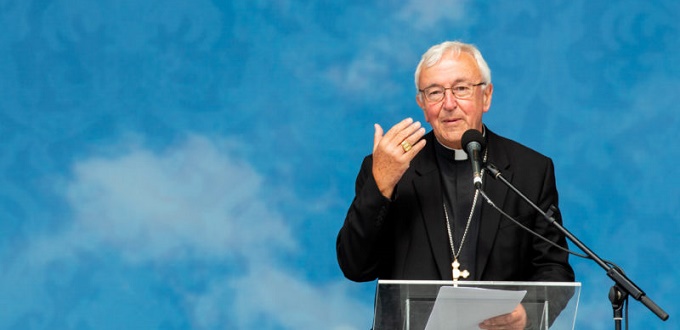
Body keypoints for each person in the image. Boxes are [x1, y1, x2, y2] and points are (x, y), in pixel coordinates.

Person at [336, 41, 575, 329]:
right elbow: (355, 267)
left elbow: (554, 268)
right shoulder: (388, 168)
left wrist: (530, 314)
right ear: (423, 106)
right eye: (435, 93)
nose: (449, 104)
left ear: (486, 96)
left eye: (461, 89)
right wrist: (380, 187)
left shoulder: (530, 170)